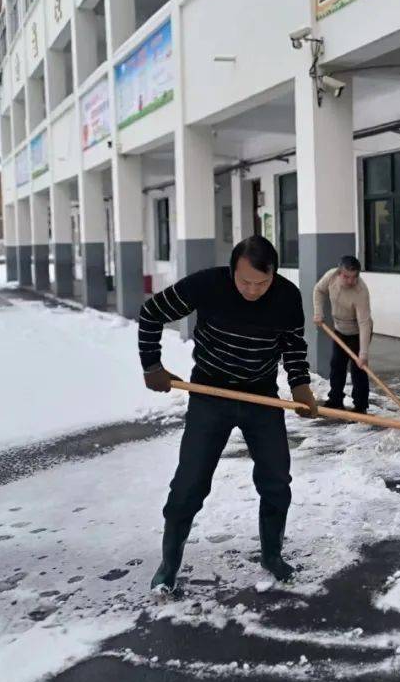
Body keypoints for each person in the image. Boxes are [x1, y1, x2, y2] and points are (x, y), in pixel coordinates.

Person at [138, 235, 318, 594]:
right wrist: (152, 366)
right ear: (232, 270)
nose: (253, 290)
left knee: (276, 480)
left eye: (262, 283)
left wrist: (299, 385)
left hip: (261, 398)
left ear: (274, 276)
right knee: (189, 483)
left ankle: (272, 555)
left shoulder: (286, 296)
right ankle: (168, 564)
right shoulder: (207, 284)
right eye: (245, 281)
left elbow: (293, 345)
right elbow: (151, 312)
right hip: (211, 394)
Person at [312, 255, 372, 413]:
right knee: (336, 364)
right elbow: (318, 290)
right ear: (339, 273)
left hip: (358, 333)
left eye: (355, 277)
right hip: (339, 330)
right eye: (347, 277)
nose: (351, 281)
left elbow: (364, 323)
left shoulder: (361, 291)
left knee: (358, 368)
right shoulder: (331, 276)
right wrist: (318, 312)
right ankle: (335, 399)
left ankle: (360, 406)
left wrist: (363, 354)